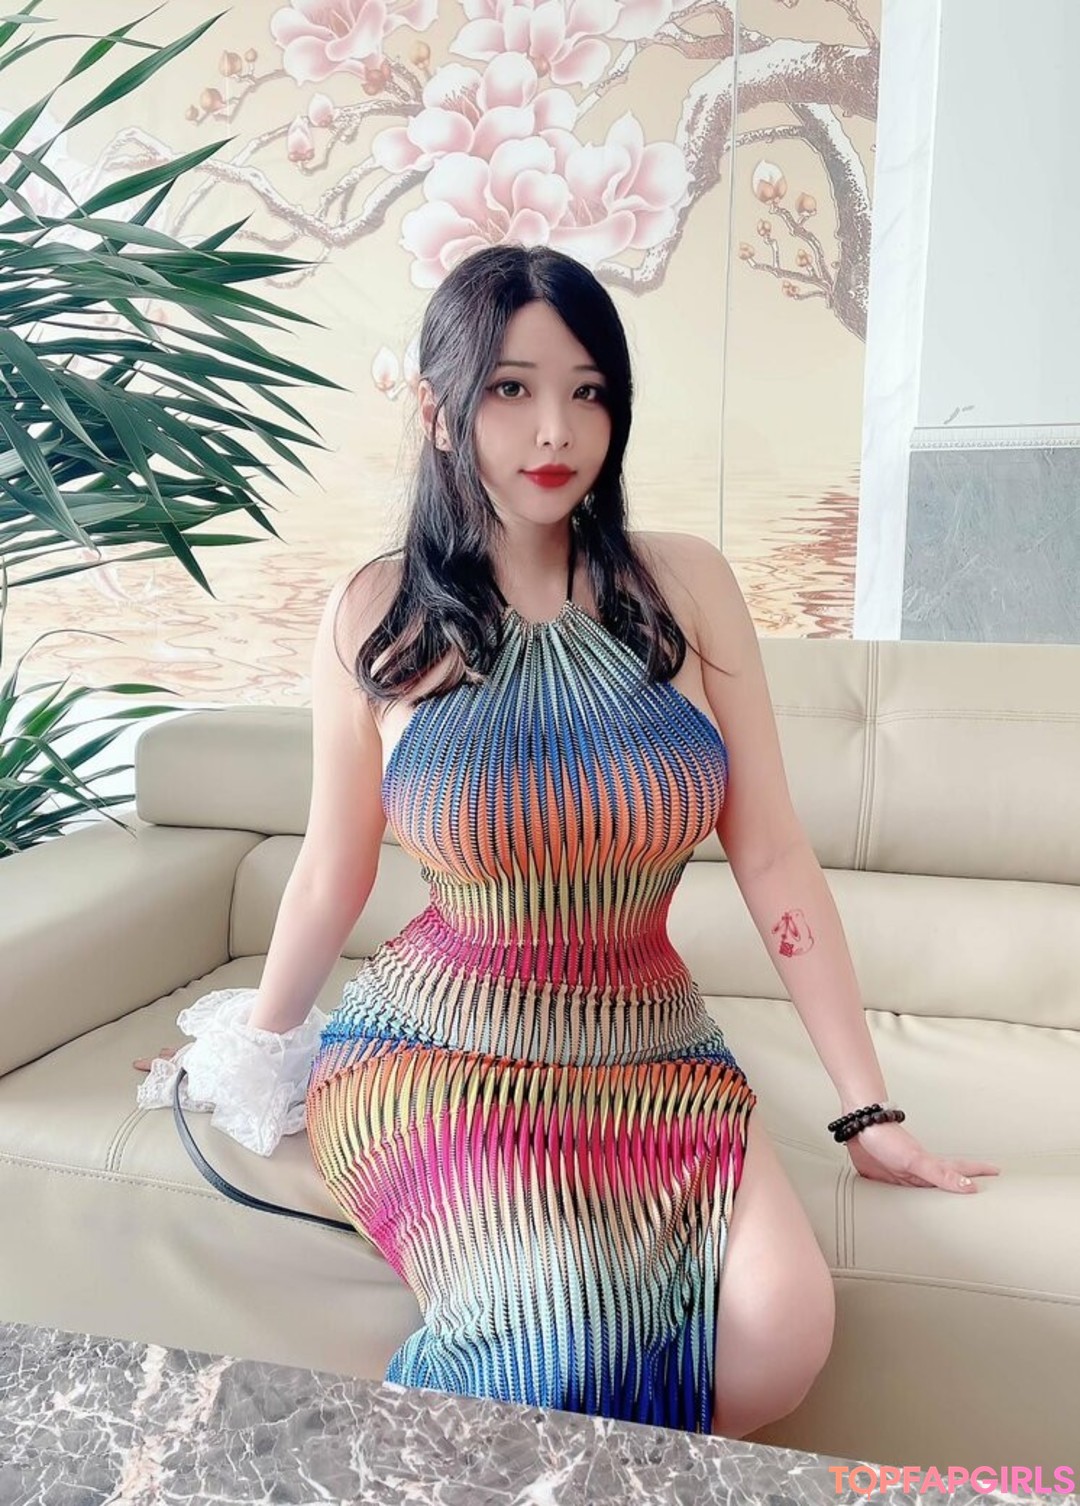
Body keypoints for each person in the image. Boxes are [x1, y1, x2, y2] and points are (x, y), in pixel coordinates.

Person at [134, 242, 1000, 1439]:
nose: (556, 430)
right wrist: (253, 1052)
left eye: (589, 392)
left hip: (652, 1048)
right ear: (438, 410)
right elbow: (333, 868)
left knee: (781, 1331)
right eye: (511, 389)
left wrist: (867, 1110)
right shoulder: (375, 612)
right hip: (441, 1050)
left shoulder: (686, 587)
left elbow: (772, 858)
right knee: (561, 1328)